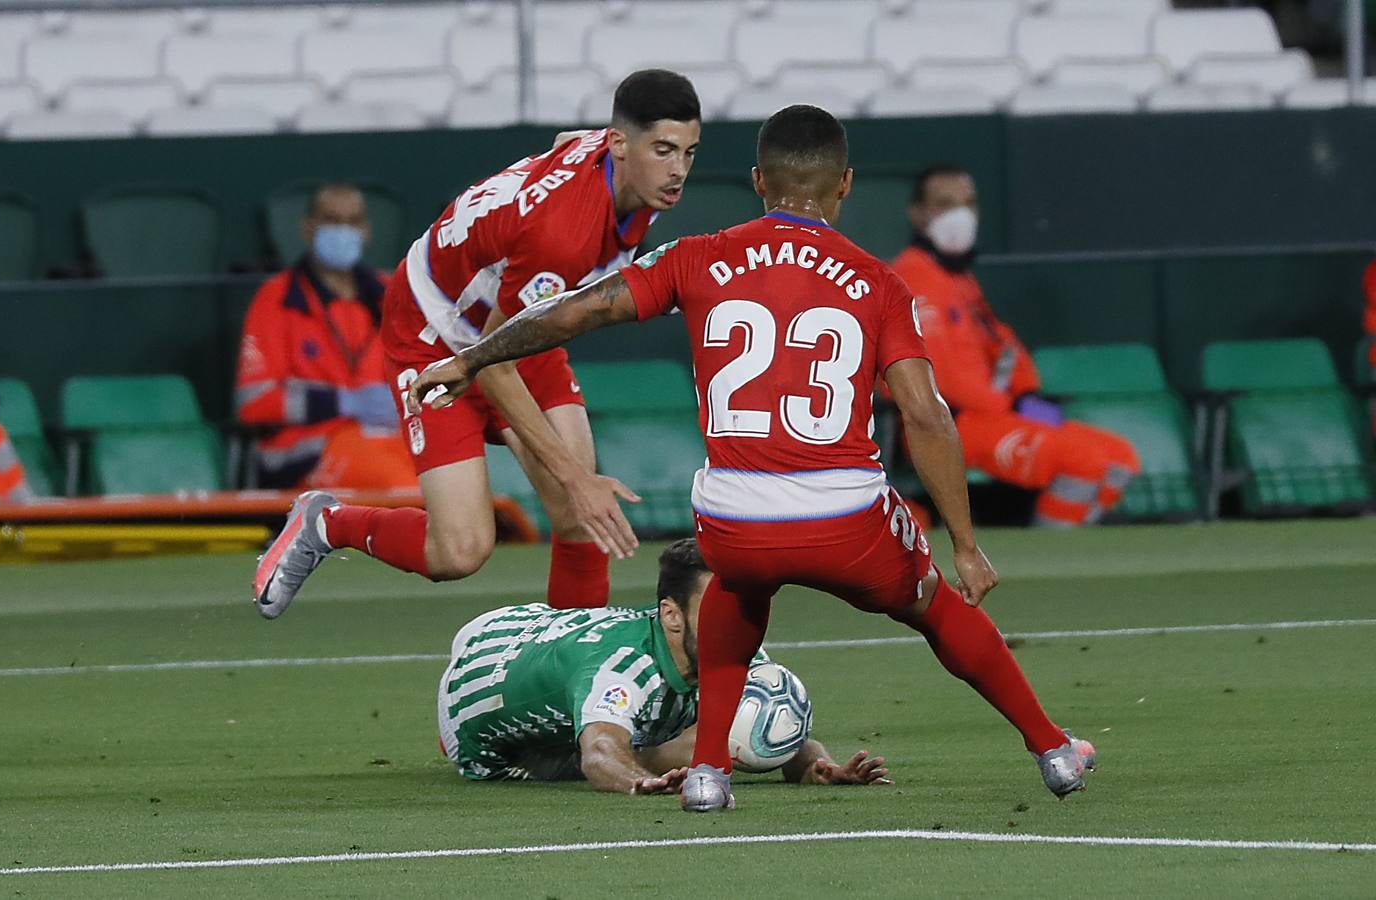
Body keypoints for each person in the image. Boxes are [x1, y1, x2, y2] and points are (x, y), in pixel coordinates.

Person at [406, 106, 1096, 812]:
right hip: (845, 514)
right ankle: (1053, 750)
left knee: (737, 592)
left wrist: (473, 355)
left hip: (736, 516)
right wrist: (967, 544)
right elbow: (926, 414)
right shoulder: (878, 282)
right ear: (845, 186)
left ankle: (709, 773)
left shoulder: (697, 256)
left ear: (758, 180)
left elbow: (574, 312)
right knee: (936, 608)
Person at [252, 69, 702, 619]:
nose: (678, 170)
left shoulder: (621, 164)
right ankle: (325, 523)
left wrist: (575, 486)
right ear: (619, 145)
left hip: (514, 326)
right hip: (434, 336)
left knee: (581, 519)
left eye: (688, 152)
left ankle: (572, 674)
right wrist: (574, 478)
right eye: (663, 150)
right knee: (460, 551)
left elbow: (568, 142)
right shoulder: (562, 237)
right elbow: (491, 363)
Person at [438, 539, 890, 793]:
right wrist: (641, 781)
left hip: (544, 631)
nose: (733, 616)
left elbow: (767, 730)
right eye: (715, 605)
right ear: (672, 615)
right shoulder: (623, 669)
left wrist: (820, 766)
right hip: (479, 686)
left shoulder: (733, 641)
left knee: (692, 741)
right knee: (637, 747)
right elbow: (598, 755)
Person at [888, 166, 1140, 528]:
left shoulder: (958, 278)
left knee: (1120, 456)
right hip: (947, 426)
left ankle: (1074, 540)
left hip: (990, 415)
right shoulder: (913, 277)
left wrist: (1027, 393)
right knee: (1085, 461)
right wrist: (1014, 406)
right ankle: (1057, 557)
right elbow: (941, 380)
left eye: (968, 204)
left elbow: (1003, 346)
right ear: (917, 213)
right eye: (944, 204)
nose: (960, 214)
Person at [235, 183, 413, 490]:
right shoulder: (277, 299)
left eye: (353, 221)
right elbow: (254, 403)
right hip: (304, 452)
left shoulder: (390, 295)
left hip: (386, 437)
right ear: (307, 229)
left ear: (367, 231)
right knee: (398, 485)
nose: (344, 230)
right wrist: (343, 403)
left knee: (441, 479)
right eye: (332, 220)